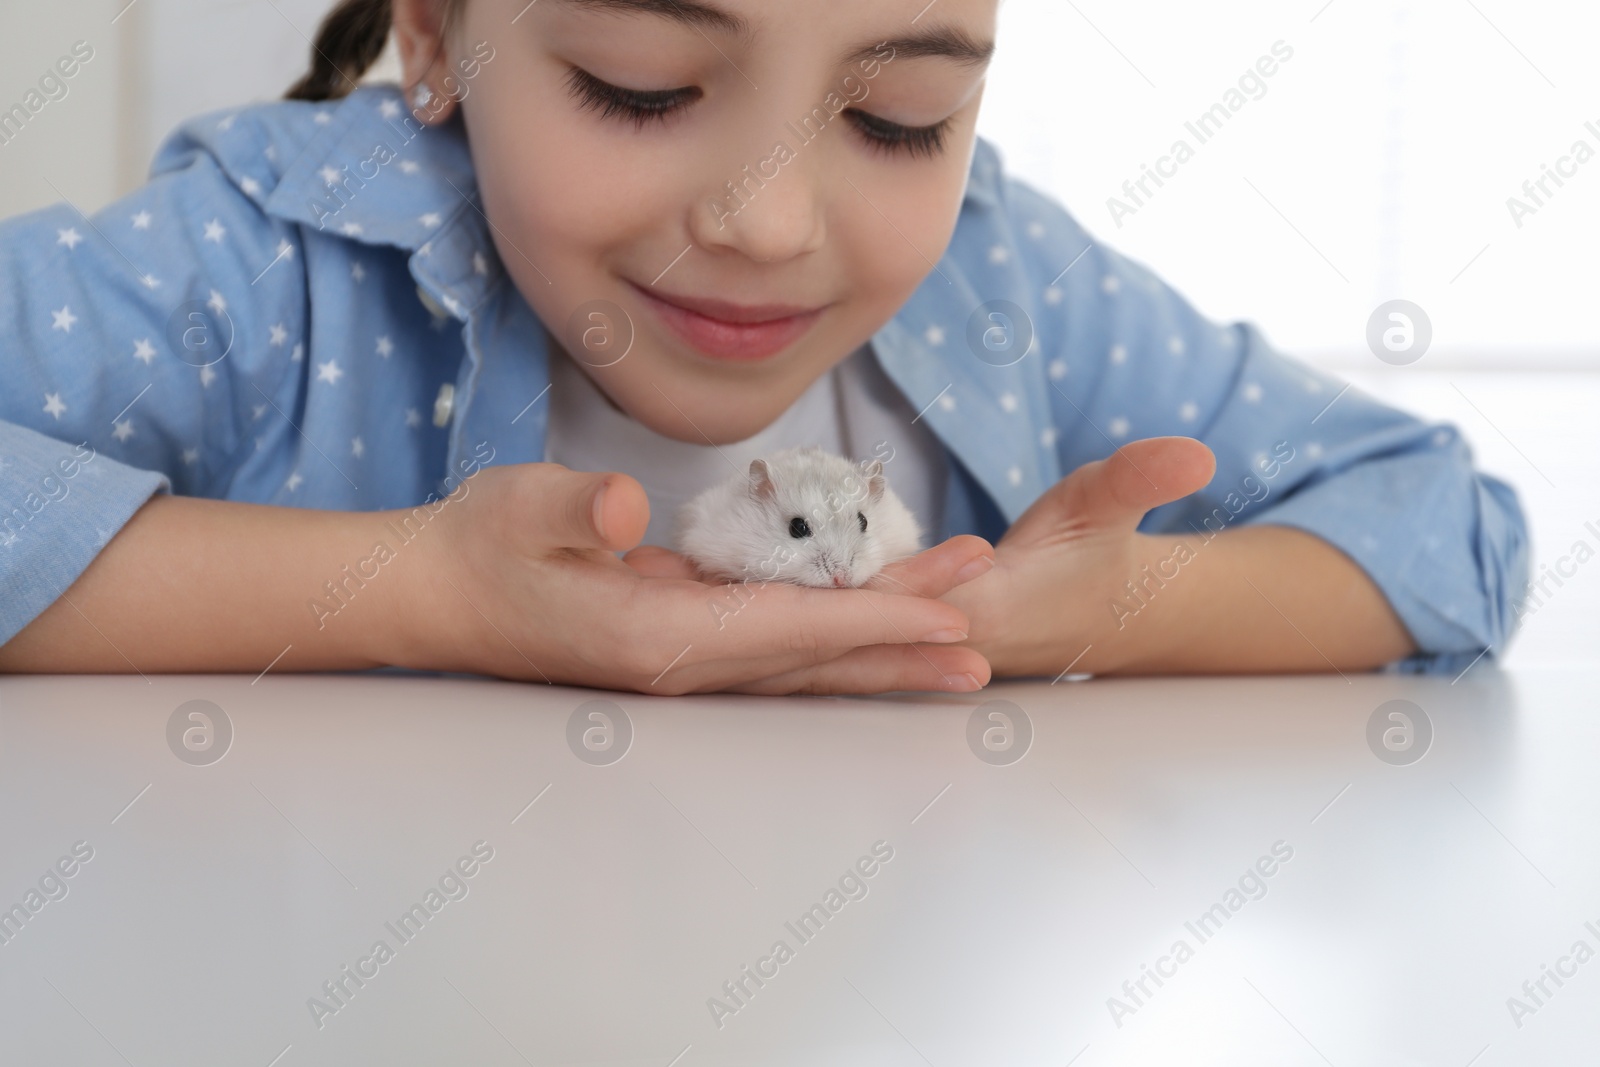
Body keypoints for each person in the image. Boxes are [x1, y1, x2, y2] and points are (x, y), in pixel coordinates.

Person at [0, 0, 1529, 693]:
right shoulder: (278, 264)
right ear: (432, 36)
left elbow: (1444, 523)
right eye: (644, 84)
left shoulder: (1001, 276)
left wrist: (1108, 610)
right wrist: (423, 590)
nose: (769, 216)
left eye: (898, 116)